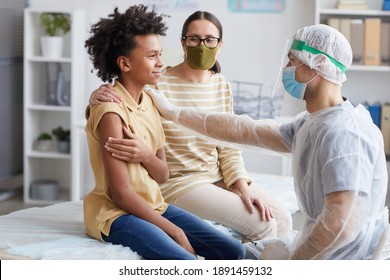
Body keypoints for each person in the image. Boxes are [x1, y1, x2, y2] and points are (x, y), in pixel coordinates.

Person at [143, 24, 389, 260]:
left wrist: (294, 262)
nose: (287, 67)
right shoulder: (313, 122)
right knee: (240, 254)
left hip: (340, 260)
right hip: (326, 253)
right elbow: (245, 130)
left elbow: (340, 225)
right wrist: (175, 113)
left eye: (293, 60)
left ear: (319, 65)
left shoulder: (343, 133)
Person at [88, 10, 292, 243]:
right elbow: (125, 97)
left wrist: (240, 185)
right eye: (194, 39)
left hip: (216, 177)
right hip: (179, 182)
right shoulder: (156, 82)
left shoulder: (221, 85)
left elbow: (229, 145)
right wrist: (97, 94)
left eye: (209, 40)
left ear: (220, 45)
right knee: (263, 225)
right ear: (183, 43)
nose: (201, 46)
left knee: (283, 219)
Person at [83, 4, 245, 260]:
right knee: (185, 262)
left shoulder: (151, 101)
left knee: (235, 251)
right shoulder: (111, 113)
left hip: (153, 204)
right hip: (116, 214)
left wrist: (146, 156)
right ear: (124, 63)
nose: (161, 63)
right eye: (152, 57)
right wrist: (176, 232)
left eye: (160, 55)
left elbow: (162, 175)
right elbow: (120, 194)